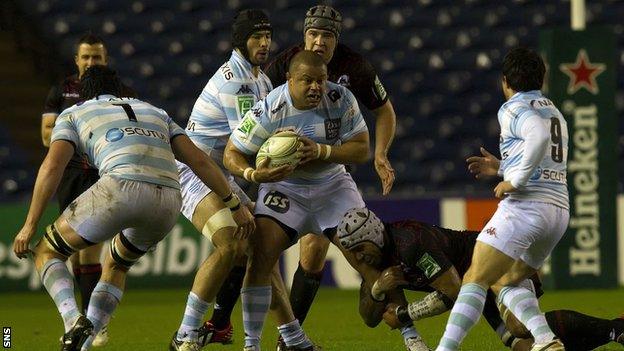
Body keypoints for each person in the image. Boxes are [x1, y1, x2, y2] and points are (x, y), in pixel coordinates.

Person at [13, 66, 253, 351]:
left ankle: (72, 321)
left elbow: (53, 166)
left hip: (120, 188)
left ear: (84, 94)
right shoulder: (155, 111)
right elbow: (199, 161)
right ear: (119, 90)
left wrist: (30, 224)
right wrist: (233, 203)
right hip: (168, 200)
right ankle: (85, 344)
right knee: (116, 264)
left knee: (46, 251)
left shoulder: (74, 112)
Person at [262, 5, 398, 335]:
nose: (319, 41)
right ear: (304, 35)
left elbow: (385, 112)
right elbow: (261, 109)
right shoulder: (284, 64)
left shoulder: (355, 68)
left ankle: (289, 338)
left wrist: (380, 154)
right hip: (288, 176)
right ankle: (282, 336)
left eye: (326, 35)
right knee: (269, 254)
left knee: (314, 255)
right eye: (313, 34)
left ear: (336, 40)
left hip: (331, 171)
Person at [223, 50, 371, 351]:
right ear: (290, 80)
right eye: (307, 81)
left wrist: (321, 152)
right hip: (285, 189)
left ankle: (410, 336)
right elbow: (231, 153)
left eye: (321, 80)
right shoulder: (270, 108)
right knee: (260, 256)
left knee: (370, 254)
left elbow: (361, 150)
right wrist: (252, 175)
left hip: (332, 185)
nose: (316, 87)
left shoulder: (341, 98)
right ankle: (252, 345)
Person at [432, 47, 569, 351]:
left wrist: (514, 181)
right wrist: (502, 167)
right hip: (557, 211)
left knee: (475, 277)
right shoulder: (553, 111)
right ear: (542, 79)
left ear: (505, 81)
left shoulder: (513, 107)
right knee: (505, 279)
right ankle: (545, 340)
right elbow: (545, 153)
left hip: (526, 208)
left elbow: (537, 135)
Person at [335, 208, 624, 351]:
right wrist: (376, 290)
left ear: (372, 236)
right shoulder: (379, 261)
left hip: (497, 262)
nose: (359, 258)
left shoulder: (410, 243)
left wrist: (404, 314)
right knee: (525, 347)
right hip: (479, 286)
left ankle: (616, 329)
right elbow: (370, 318)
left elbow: (451, 292)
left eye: (360, 249)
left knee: (520, 326)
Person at [168, 9, 288, 351]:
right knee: (231, 241)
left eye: (267, 36)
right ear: (240, 40)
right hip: (195, 172)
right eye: (256, 37)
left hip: (218, 173)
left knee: (263, 251)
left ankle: (291, 337)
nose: (264, 43)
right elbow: (246, 146)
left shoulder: (261, 79)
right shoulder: (235, 81)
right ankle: (184, 334)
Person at [40, 32, 136, 347]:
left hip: (101, 173)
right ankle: (83, 320)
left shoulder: (122, 92)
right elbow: (46, 136)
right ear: (77, 60)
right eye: (86, 57)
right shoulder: (62, 91)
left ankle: (90, 324)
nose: (91, 62)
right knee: (76, 254)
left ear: (105, 61)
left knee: (89, 248)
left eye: (97, 57)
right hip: (70, 176)